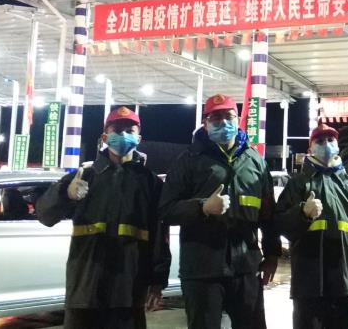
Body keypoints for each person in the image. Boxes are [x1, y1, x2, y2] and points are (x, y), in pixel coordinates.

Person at [37, 107, 169, 329]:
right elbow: (44, 215)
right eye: (117, 129)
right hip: (85, 290)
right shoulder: (84, 176)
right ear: (105, 137)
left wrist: (157, 281)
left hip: (128, 291)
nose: (123, 134)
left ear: (139, 138)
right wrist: (65, 194)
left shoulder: (150, 183)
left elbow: (159, 236)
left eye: (130, 130)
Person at [159, 94, 280, 329]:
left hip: (246, 268)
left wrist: (272, 254)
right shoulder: (188, 160)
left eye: (228, 116)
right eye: (216, 118)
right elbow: (166, 210)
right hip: (202, 271)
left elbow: (268, 214)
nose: (223, 122)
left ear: (238, 120)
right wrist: (201, 207)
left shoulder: (255, 161)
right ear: (205, 123)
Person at [275, 123, 348, 329]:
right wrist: (302, 213)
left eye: (330, 140)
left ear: (338, 146)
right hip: (308, 286)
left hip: (344, 285)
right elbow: (279, 224)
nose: (326, 144)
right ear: (310, 148)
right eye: (320, 141)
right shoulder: (297, 184)